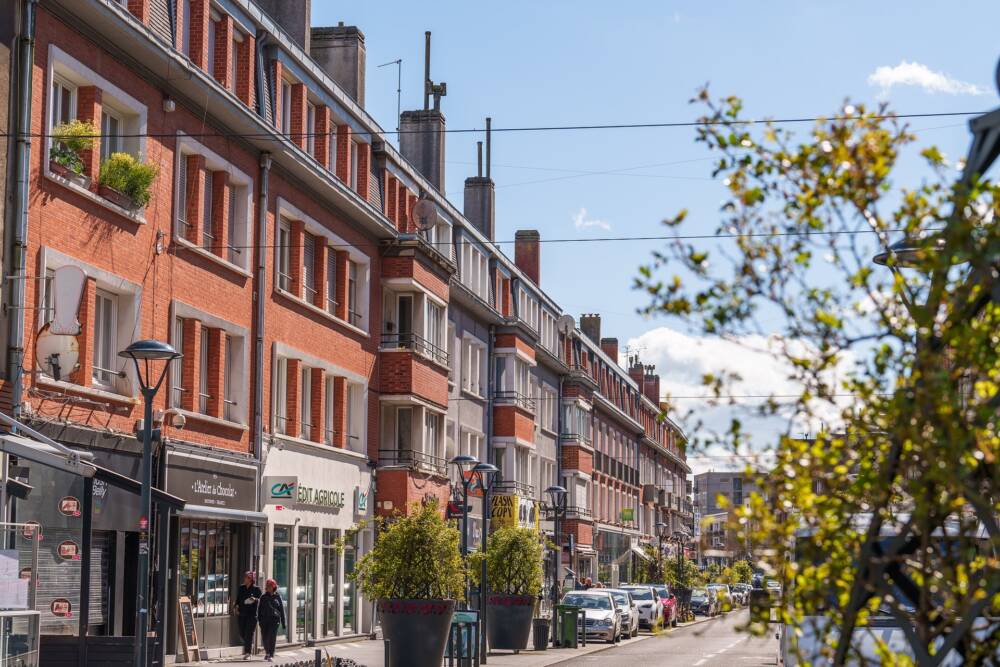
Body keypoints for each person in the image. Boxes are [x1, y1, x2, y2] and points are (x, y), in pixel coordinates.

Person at [234, 571, 262, 659]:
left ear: (250, 579)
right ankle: (249, 645)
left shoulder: (256, 589)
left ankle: (248, 652)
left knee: (248, 634)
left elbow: (262, 600)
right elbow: (238, 599)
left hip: (252, 615)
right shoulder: (241, 588)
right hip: (242, 614)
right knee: (242, 633)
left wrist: (255, 599)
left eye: (246, 577)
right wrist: (236, 607)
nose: (244, 579)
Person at [257, 578, 286, 662]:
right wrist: (259, 620)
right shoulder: (263, 597)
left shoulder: (278, 597)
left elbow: (281, 610)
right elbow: (259, 609)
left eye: (269, 586)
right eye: (267, 586)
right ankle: (267, 652)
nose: (268, 587)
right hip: (264, 620)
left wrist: (284, 623)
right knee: (265, 637)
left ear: (273, 587)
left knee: (272, 637)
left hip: (274, 620)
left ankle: (271, 654)